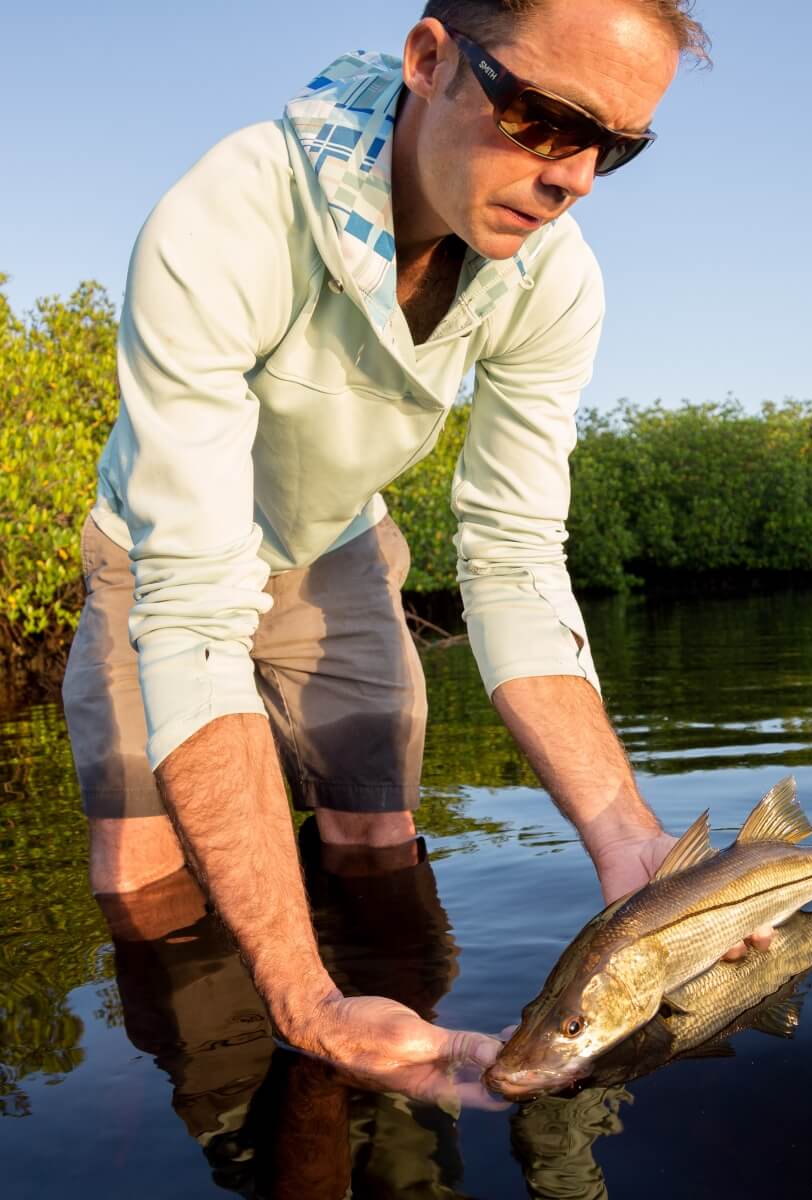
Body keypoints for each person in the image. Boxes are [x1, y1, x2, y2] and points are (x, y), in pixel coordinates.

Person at [60, 0, 751, 1098]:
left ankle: (393, 1056)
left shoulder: (556, 278)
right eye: (542, 119)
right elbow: (193, 610)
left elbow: (515, 557)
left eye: (613, 148)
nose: (573, 177)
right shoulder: (228, 217)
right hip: (160, 555)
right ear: (430, 59)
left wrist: (635, 850)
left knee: (377, 829)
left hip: (337, 543)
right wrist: (304, 998)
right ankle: (211, 1082)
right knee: (142, 875)